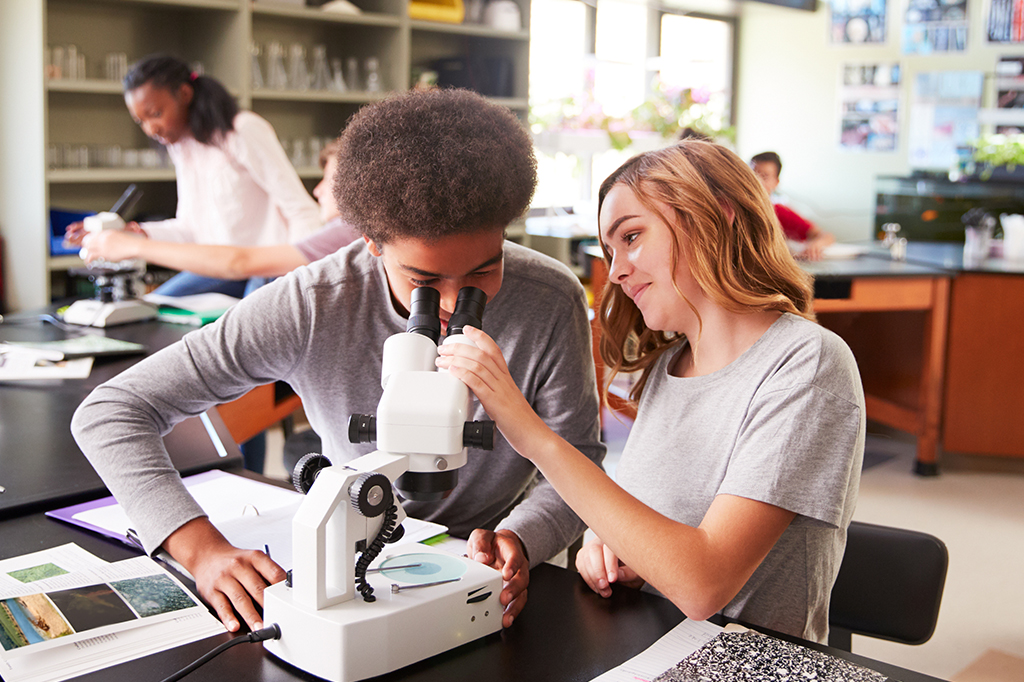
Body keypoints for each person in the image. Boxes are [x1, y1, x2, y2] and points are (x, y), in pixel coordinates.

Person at [71, 88, 604, 634]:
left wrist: (521, 538)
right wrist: (198, 548)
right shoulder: (313, 301)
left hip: (489, 558)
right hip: (352, 544)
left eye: (481, 275)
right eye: (424, 281)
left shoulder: (550, 296)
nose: (450, 304)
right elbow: (112, 411)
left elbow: (577, 454)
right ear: (371, 241)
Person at [437, 140, 865, 642]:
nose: (616, 272)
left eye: (632, 237)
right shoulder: (669, 367)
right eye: (610, 251)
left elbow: (702, 584)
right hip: (649, 647)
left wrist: (529, 431)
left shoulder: (807, 364)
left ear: (718, 215)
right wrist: (608, 546)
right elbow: (655, 523)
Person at [65, 54, 321, 296]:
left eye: (155, 114)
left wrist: (299, 280)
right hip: (219, 267)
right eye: (140, 121)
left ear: (185, 94)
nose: (150, 128)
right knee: (155, 306)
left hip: (265, 267)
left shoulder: (242, 130)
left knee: (247, 329)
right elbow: (189, 229)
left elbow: (301, 211)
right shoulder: (181, 148)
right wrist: (130, 232)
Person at [79, 139, 360, 277]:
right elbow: (189, 226)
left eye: (328, 180)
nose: (317, 190)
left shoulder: (348, 231)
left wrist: (132, 247)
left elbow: (239, 263)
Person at [750, 151, 836, 260]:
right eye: (752, 175)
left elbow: (825, 236)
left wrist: (815, 245)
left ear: (776, 183)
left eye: (765, 177)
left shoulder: (779, 212)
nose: (758, 182)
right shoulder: (733, 210)